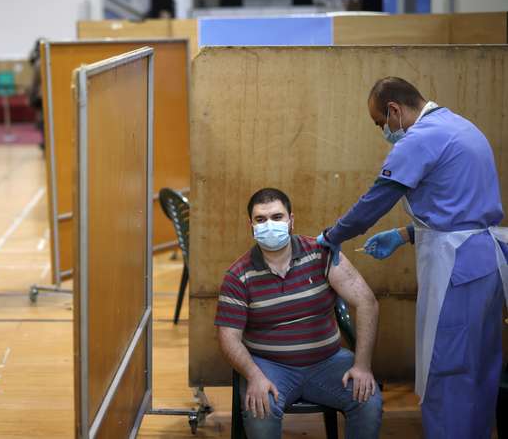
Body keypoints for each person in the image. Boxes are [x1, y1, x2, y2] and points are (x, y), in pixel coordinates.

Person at [316, 77, 507, 439]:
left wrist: (332, 236)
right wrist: (404, 235)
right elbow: (460, 208)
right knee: (480, 370)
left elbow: (376, 199)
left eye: (380, 123)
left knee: (447, 371)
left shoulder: (419, 139)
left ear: (394, 111)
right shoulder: (460, 125)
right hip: (485, 264)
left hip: (458, 272)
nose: (383, 131)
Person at [216, 188, 382, 439]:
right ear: (250, 225)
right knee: (261, 410)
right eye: (261, 219)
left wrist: (362, 366)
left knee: (368, 400)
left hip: (329, 362)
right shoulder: (238, 275)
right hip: (270, 367)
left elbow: (367, 302)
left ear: (291, 220)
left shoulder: (321, 252)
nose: (269, 225)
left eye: (277, 217)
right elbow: (228, 337)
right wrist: (254, 376)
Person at [27, 38, 44, 150]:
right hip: (46, 94)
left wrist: (31, 96)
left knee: (42, 119)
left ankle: (44, 141)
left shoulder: (38, 63)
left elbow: (34, 83)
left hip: (41, 94)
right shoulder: (50, 59)